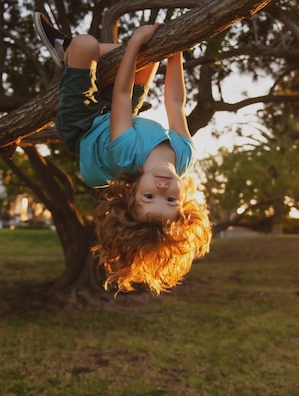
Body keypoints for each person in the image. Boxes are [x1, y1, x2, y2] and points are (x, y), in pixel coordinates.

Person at [34, 12, 212, 295]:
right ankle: (96, 55)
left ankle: (68, 50)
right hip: (123, 116)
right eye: (170, 199)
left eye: (149, 196)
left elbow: (121, 95)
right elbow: (176, 103)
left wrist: (132, 45)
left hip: (83, 124)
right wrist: (175, 52)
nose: (162, 188)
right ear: (184, 204)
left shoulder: (126, 154)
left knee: (85, 45)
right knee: (152, 53)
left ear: (132, 191)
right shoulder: (184, 155)